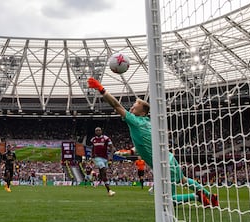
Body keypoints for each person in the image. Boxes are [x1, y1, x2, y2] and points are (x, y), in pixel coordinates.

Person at [88, 77, 219, 207]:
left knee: (168, 201)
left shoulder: (136, 121)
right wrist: (131, 151)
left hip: (163, 164)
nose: (132, 107)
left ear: (143, 112)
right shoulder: (148, 123)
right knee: (183, 180)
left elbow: (116, 105)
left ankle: (196, 196)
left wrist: (101, 89)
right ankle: (210, 196)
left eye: (135, 106)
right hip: (169, 158)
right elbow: (146, 143)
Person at [90, 127, 116, 196]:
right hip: (97, 158)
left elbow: (112, 148)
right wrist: (92, 156)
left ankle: (98, 181)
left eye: (99, 130)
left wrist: (110, 156)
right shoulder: (93, 139)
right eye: (96, 130)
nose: (98, 131)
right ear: (95, 132)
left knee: (103, 173)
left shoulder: (106, 138)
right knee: (103, 170)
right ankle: (109, 190)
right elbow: (92, 148)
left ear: (101, 131)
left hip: (105, 158)